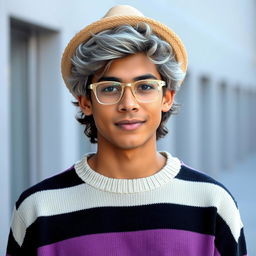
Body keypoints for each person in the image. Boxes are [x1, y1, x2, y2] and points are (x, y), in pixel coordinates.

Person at [6, 5, 247, 256]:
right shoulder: (38, 210)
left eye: (145, 86)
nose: (128, 104)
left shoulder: (213, 204)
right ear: (85, 102)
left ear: (166, 98)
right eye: (110, 88)